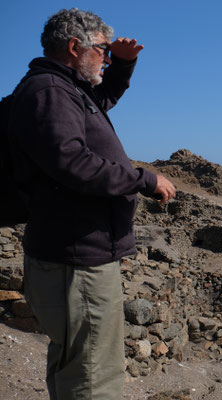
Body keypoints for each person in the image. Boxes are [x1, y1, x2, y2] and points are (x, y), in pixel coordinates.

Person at [8, 8, 176, 399]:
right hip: (77, 263)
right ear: (73, 47)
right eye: (103, 51)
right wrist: (144, 179)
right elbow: (73, 162)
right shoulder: (50, 91)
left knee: (76, 362)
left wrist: (125, 65)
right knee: (92, 378)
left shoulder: (65, 88)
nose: (108, 57)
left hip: (74, 256)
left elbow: (100, 98)